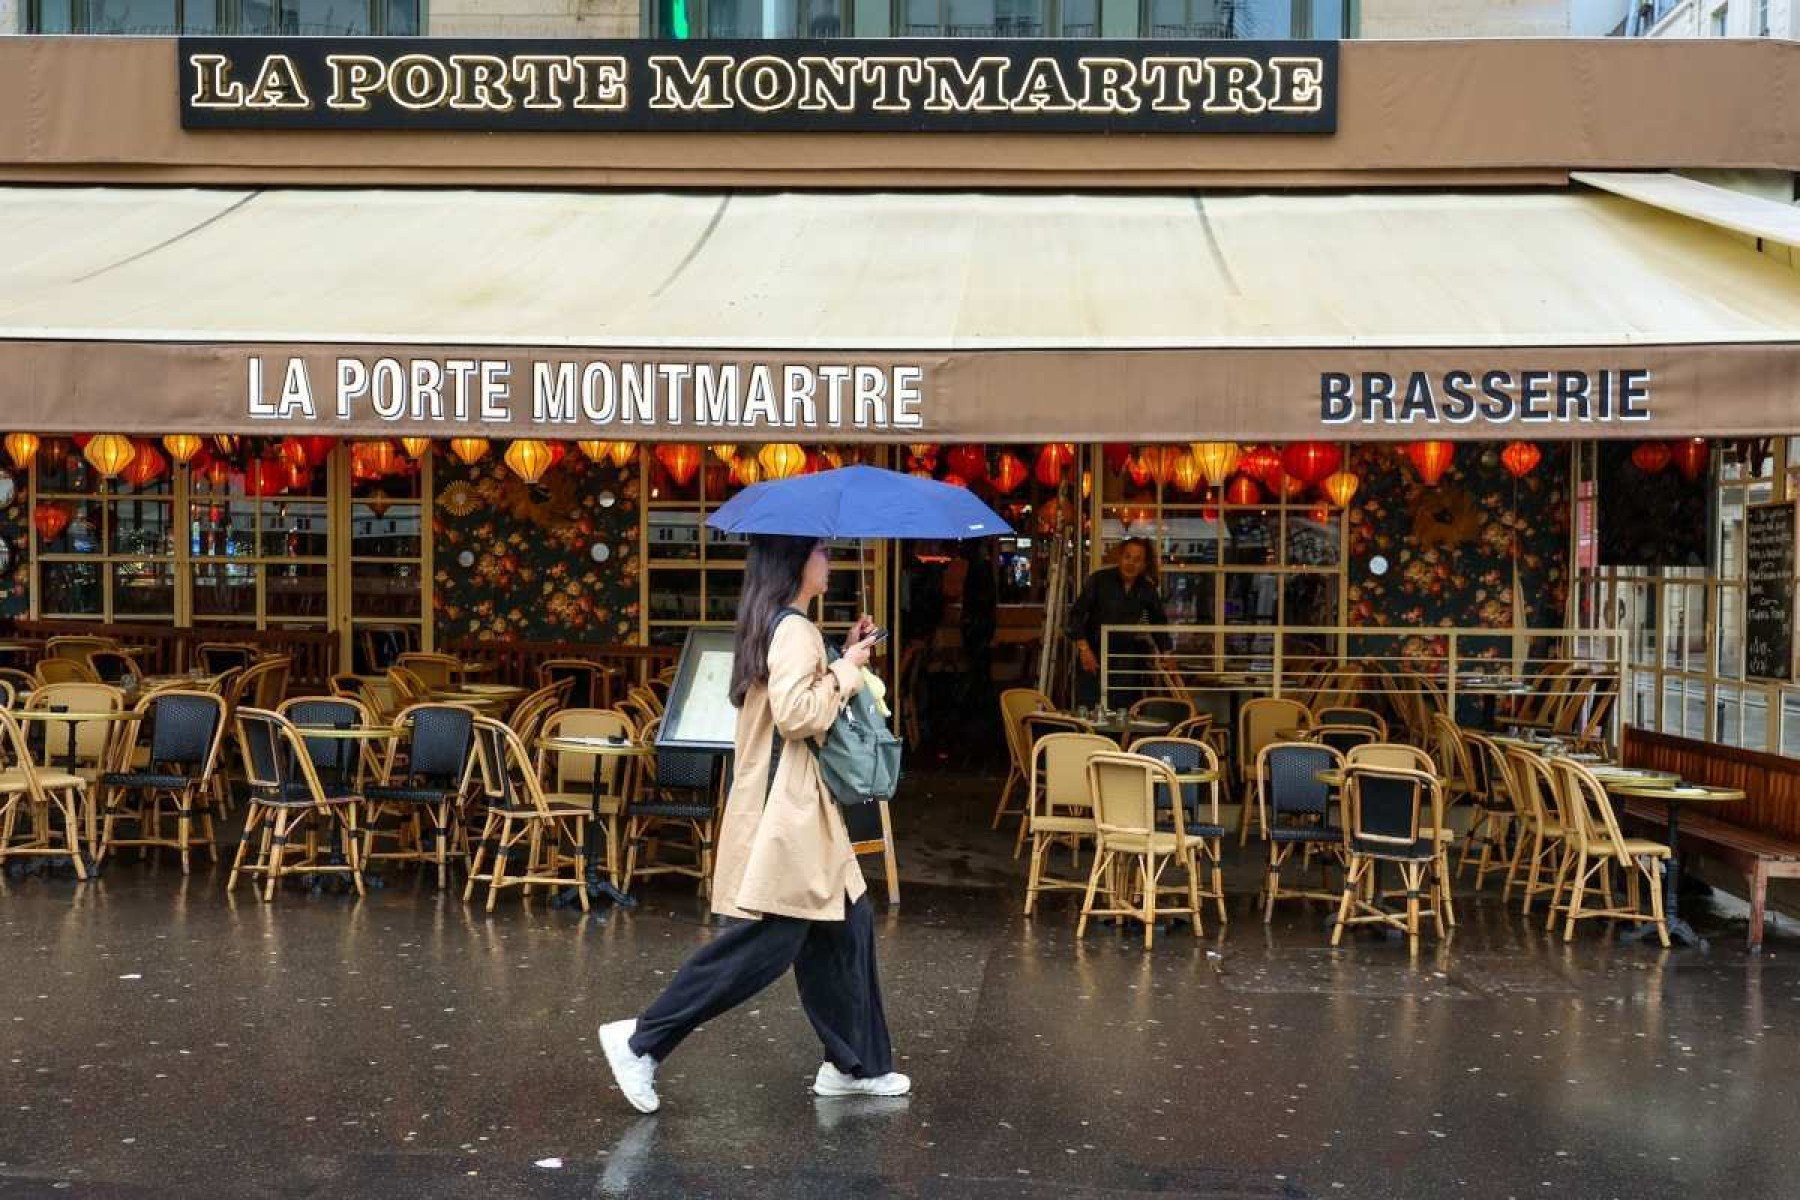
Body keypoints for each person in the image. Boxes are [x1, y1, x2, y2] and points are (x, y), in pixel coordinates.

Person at [599, 534, 909, 1113]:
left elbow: (791, 700)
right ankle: (641, 1041)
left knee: (849, 923)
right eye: (821, 552)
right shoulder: (794, 629)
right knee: (764, 947)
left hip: (798, 810)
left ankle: (856, 1065)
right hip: (788, 814)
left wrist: (841, 655)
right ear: (797, 562)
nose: (829, 561)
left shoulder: (780, 625)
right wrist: (845, 669)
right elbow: (796, 716)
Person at [1068, 536, 1171, 711]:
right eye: (1127, 557)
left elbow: (1158, 621)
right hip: (1093, 655)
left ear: (1144, 564)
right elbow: (1075, 616)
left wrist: (1166, 653)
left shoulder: (1147, 588)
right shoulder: (1099, 580)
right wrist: (1084, 649)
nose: (1131, 563)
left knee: (1125, 713)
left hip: (1126, 662)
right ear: (1120, 557)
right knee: (1090, 712)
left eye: (1137, 560)